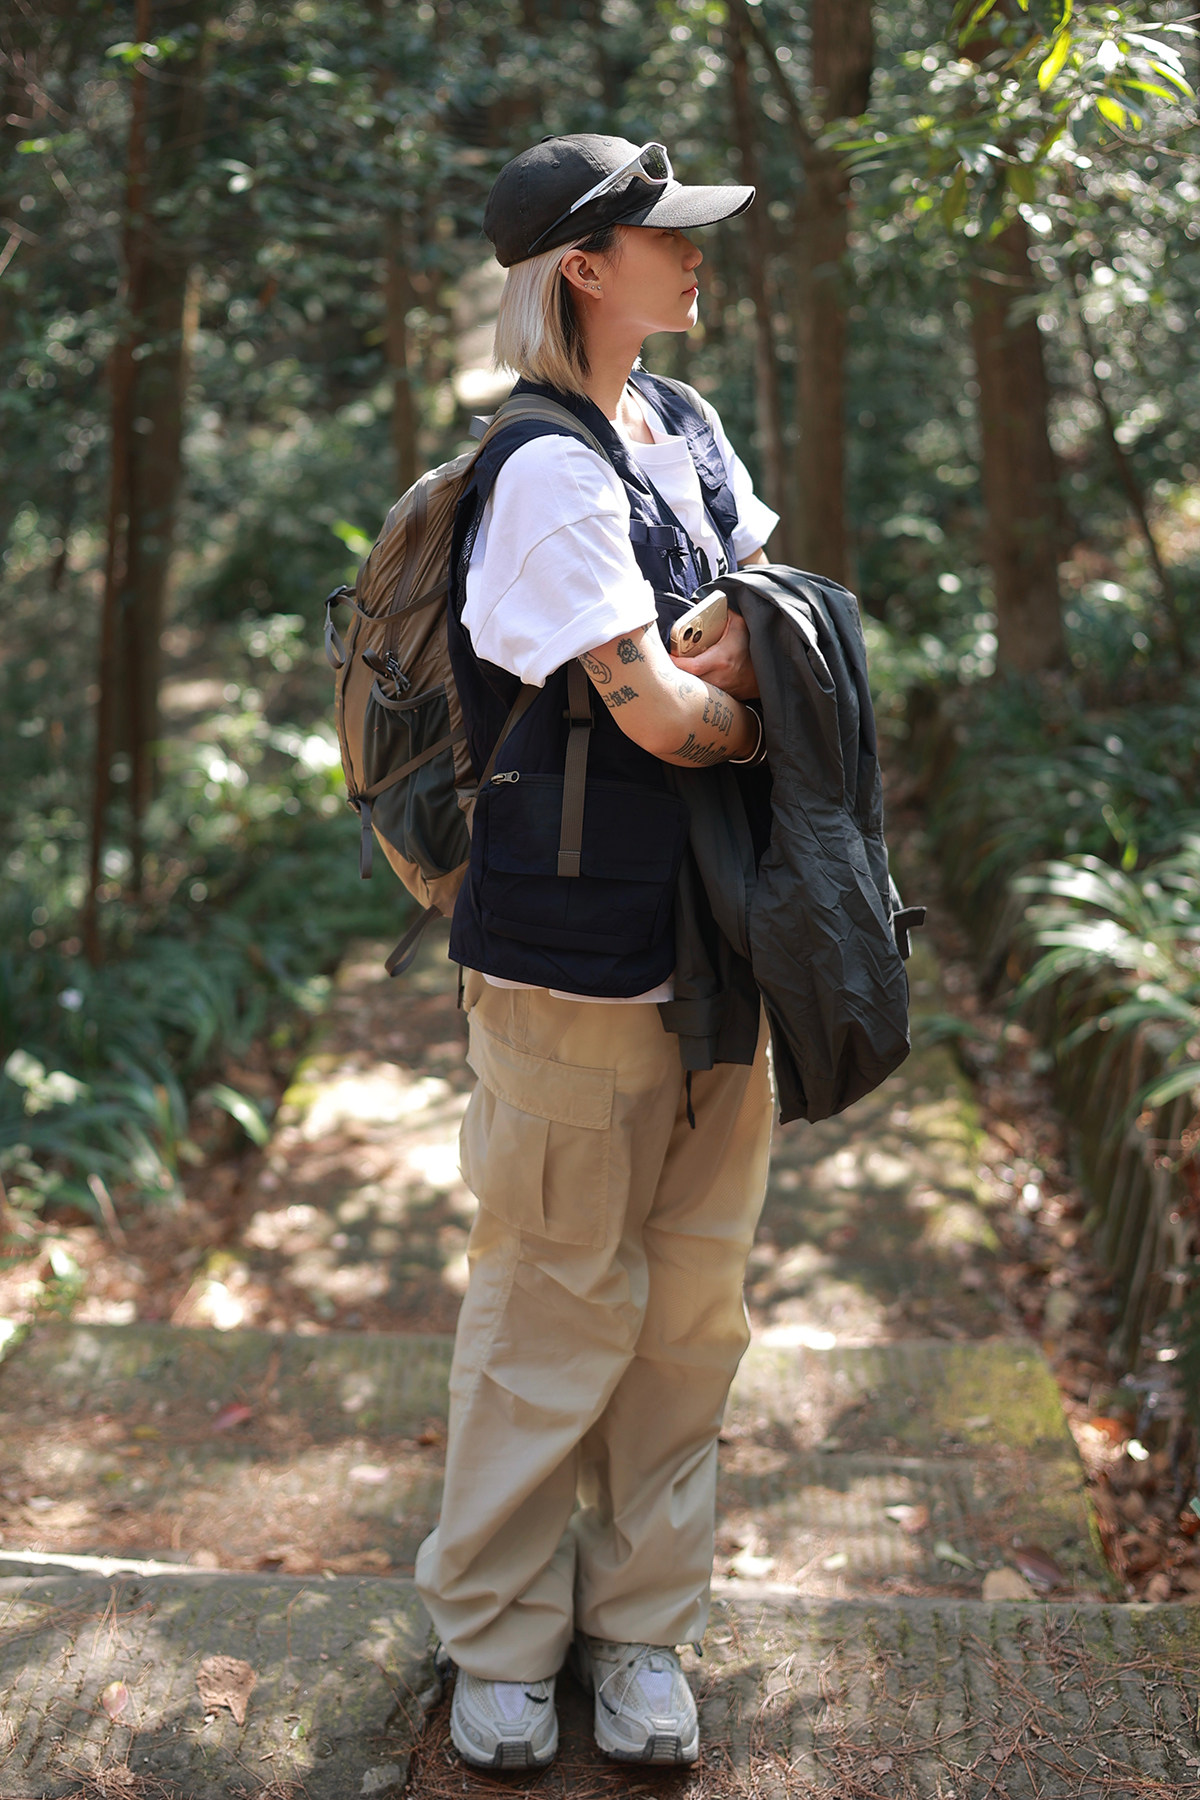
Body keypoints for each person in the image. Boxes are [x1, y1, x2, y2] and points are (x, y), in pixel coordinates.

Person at [414, 133, 779, 1772]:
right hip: (569, 968)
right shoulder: (546, 473)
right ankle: (499, 1641)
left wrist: (742, 672)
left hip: (719, 945)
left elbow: (763, 620)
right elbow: (669, 712)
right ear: (582, 265)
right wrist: (746, 707)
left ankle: (641, 1630)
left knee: (693, 1311)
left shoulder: (681, 427)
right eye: (664, 236)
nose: (695, 255)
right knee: (555, 1300)